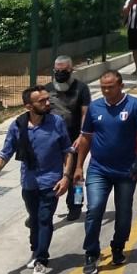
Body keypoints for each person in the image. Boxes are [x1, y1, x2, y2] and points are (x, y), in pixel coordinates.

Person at [0, 85, 74, 274]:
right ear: (28, 106)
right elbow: (5, 153)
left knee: (44, 219)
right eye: (42, 101)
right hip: (29, 183)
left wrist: (66, 177)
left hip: (52, 182)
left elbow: (67, 150)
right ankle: (35, 250)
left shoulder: (56, 122)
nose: (47, 103)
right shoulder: (18, 126)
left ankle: (41, 260)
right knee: (34, 220)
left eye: (47, 99)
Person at [74, 70, 137, 274]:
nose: (106, 90)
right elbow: (86, 138)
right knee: (95, 209)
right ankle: (91, 253)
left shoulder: (135, 105)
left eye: (110, 86)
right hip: (98, 169)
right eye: (103, 87)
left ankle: (118, 246)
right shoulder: (95, 107)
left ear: (121, 85)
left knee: (124, 212)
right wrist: (79, 166)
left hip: (126, 171)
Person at [46, 54, 92, 220]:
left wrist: (82, 134)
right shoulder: (48, 88)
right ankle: (45, 209)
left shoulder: (81, 89)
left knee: (76, 176)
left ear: (71, 70)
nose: (60, 73)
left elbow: (85, 113)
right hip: (53, 141)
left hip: (74, 139)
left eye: (63, 71)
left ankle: (76, 205)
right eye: (57, 71)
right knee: (53, 175)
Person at [121, 0, 137, 73]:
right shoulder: (129, 1)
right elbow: (124, 12)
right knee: (135, 50)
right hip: (132, 29)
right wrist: (130, 5)